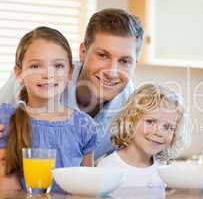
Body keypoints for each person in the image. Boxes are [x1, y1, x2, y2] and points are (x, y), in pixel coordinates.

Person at [0, 8, 144, 160]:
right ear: (83, 52)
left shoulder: (133, 106)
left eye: (124, 61)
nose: (112, 72)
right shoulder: (35, 81)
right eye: (102, 55)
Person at [0, 27, 99, 192]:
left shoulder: (83, 126)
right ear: (19, 74)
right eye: (36, 66)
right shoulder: (7, 120)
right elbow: (6, 188)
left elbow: (87, 189)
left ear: (69, 73)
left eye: (58, 65)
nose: (48, 74)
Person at [97, 83, 190, 188]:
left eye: (167, 127)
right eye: (150, 122)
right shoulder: (108, 167)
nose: (158, 132)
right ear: (130, 122)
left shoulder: (164, 170)